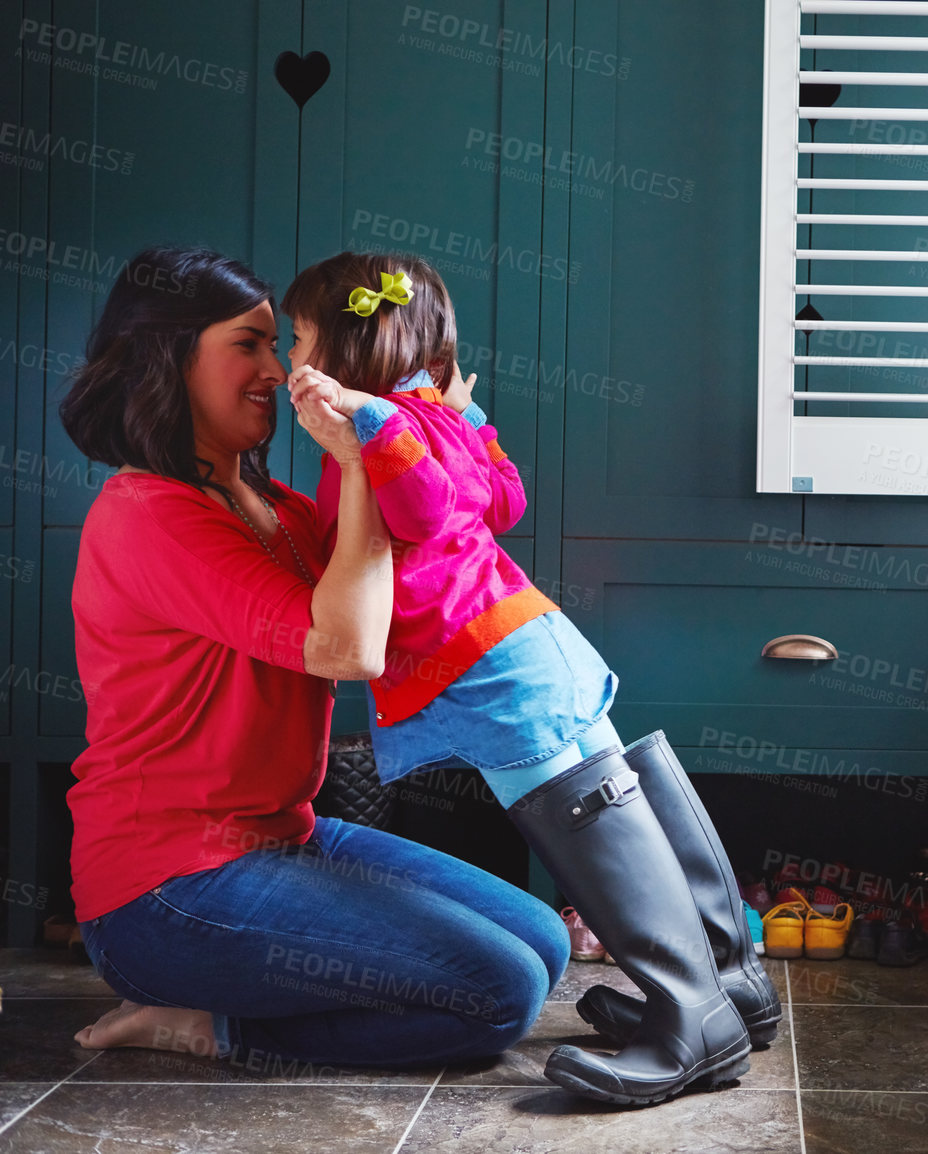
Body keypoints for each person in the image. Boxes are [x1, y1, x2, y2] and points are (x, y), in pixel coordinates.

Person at [278, 251, 780, 1105]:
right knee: (626, 792)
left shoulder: (384, 425)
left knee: (591, 820)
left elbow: (427, 510)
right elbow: (503, 500)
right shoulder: (438, 414)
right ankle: (729, 984)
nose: (292, 360)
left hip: (486, 668)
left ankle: (692, 1017)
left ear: (344, 351)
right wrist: (472, 418)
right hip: (523, 640)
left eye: (298, 339)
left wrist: (363, 422)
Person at [59, 246, 570, 1071]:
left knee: (544, 943)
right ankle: (213, 1027)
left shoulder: (286, 512)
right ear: (171, 356)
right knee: (501, 991)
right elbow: (349, 647)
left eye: (276, 342)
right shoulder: (148, 516)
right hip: (166, 889)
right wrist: (363, 447)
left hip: (283, 836)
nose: (278, 367)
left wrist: (434, 432)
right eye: (248, 345)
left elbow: (431, 551)